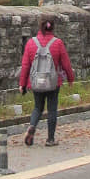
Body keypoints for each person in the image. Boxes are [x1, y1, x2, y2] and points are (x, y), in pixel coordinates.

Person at [19, 15, 74, 147]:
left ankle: (32, 126)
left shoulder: (31, 43)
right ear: (52, 27)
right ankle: (50, 139)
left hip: (36, 82)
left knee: (37, 107)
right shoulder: (58, 43)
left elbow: (25, 65)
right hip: (53, 82)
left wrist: (22, 84)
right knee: (52, 109)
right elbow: (66, 64)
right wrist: (70, 78)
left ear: (40, 26)